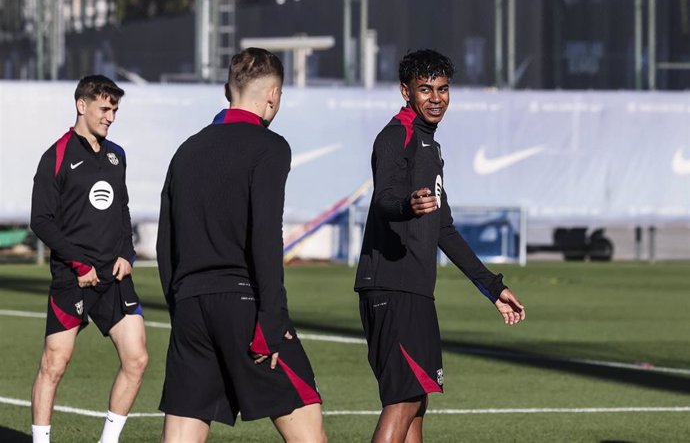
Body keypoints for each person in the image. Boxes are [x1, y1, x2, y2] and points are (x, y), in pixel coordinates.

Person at [354, 49, 526, 443]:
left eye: (443, 89)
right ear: (405, 91)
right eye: (425, 89)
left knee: (415, 402)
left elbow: (444, 229)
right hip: (394, 287)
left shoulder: (429, 145)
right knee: (403, 401)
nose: (436, 98)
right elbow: (383, 199)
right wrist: (406, 205)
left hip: (411, 287)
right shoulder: (398, 135)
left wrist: (493, 287)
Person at [156, 47, 327, 443]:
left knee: (184, 428)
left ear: (227, 90)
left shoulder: (186, 150)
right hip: (245, 306)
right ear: (273, 95)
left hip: (191, 308)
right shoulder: (270, 146)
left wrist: (180, 306)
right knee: (307, 425)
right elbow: (266, 235)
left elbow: (167, 242)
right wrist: (271, 319)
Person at [30, 75, 148, 443]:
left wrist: (127, 254)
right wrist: (78, 264)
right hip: (73, 278)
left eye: (115, 109)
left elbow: (122, 209)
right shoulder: (57, 155)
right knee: (55, 363)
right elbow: (41, 221)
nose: (111, 116)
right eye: (104, 108)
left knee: (137, 359)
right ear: (82, 106)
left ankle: (108, 441)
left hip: (114, 277)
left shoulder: (117, 156)